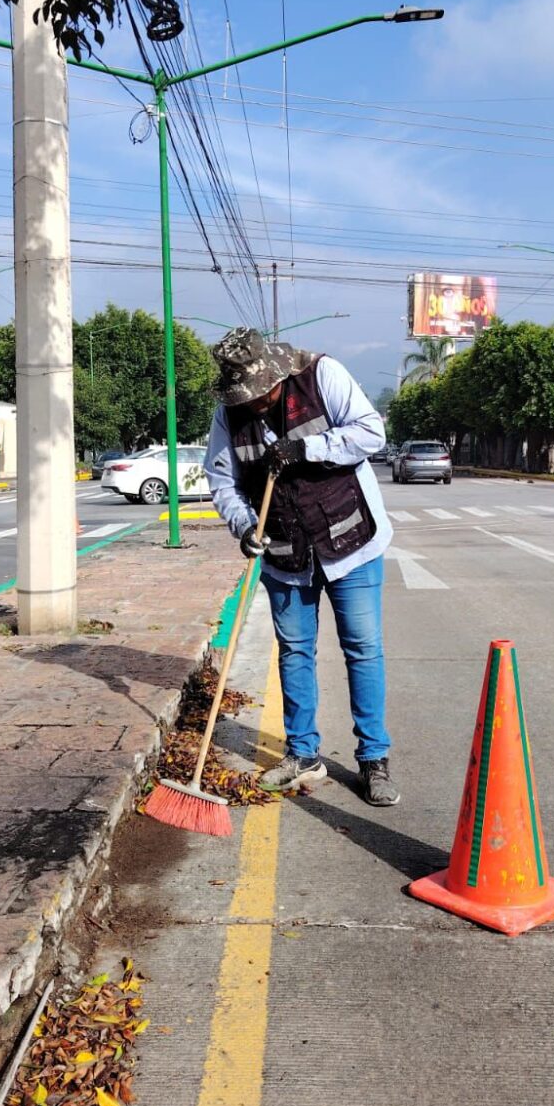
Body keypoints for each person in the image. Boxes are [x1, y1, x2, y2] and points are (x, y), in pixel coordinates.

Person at [205, 327, 399, 807]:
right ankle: (303, 753)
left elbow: (372, 433)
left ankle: (374, 759)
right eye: (243, 397)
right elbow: (222, 480)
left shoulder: (321, 376)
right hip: (285, 552)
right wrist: (244, 525)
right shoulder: (229, 416)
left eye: (260, 393)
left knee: (362, 649)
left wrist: (309, 448)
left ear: (275, 373)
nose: (253, 404)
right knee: (294, 652)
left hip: (351, 541)